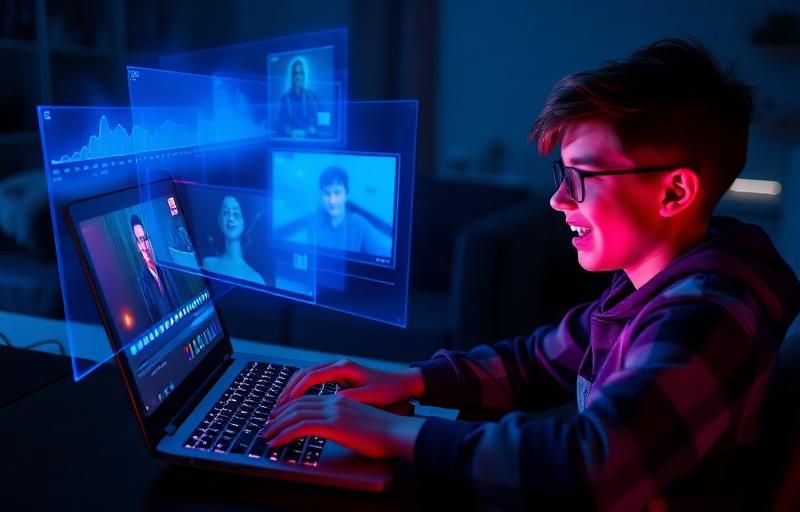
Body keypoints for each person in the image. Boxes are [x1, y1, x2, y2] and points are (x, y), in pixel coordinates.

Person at [263, 38, 800, 509]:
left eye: (581, 176)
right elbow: (536, 363)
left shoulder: (705, 315)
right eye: (561, 173)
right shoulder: (651, 285)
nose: (558, 199)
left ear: (674, 191)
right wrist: (410, 379)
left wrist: (395, 432)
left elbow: (590, 467)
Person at [314, 166, 390, 258]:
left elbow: (384, 256)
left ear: (346, 195)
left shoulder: (359, 224)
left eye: (337, 193)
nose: (332, 201)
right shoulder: (315, 223)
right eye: (327, 193)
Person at [131, 214, 183, 325]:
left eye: (145, 238)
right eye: (139, 240)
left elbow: (178, 300)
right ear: (136, 245)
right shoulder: (142, 281)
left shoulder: (166, 267)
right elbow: (152, 316)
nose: (144, 244)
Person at [202, 195, 265, 286]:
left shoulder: (257, 279)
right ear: (219, 220)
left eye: (236, 213)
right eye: (225, 213)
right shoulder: (208, 263)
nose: (230, 218)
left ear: (244, 221)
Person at [276, 58, 319, 138]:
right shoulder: (285, 98)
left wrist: (306, 132)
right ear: (292, 76)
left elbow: (317, 123)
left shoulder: (311, 96)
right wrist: (290, 132)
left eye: (301, 73)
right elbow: (280, 124)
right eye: (295, 73)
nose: (298, 77)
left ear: (304, 75)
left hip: (309, 140)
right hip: (291, 140)